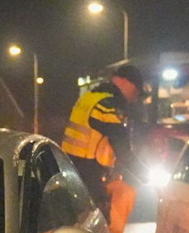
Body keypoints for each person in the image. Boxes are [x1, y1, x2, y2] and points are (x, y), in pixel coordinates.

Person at [60, 63, 148, 224]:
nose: (134, 99)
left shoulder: (90, 97)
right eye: (135, 92)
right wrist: (145, 176)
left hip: (70, 170)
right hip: (88, 176)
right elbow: (121, 147)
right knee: (95, 227)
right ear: (124, 82)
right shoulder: (107, 106)